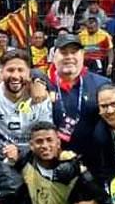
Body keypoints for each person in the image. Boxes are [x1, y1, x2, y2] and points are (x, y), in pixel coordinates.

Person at [46, 33, 111, 173]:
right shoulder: (42, 84)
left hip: (95, 164)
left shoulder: (102, 84)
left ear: (82, 55)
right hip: (52, 163)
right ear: (53, 56)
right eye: (63, 52)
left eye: (74, 52)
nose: (69, 57)